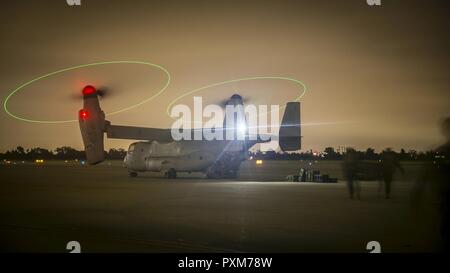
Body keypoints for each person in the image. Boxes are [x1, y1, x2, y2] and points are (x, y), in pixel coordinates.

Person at [412, 117, 450, 251]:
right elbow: (427, 172)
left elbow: (426, 173)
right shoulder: (442, 151)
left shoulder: (441, 150)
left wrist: (417, 191)